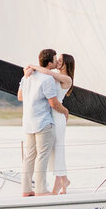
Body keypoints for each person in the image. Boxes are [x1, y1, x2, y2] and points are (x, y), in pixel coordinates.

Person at [18, 48, 67, 197]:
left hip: (28, 122)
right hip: (43, 122)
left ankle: (26, 190)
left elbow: (20, 97)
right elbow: (53, 103)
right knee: (42, 156)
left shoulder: (26, 77)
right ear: (50, 62)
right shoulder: (47, 79)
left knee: (29, 157)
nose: (56, 62)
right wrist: (65, 111)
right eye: (55, 59)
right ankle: (40, 190)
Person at [50, 53, 76, 194]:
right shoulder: (54, 75)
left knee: (59, 149)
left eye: (60, 61)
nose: (57, 62)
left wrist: (32, 66)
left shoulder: (66, 79)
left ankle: (59, 184)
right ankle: (63, 180)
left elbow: (47, 71)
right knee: (54, 150)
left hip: (58, 115)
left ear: (66, 64)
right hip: (51, 115)